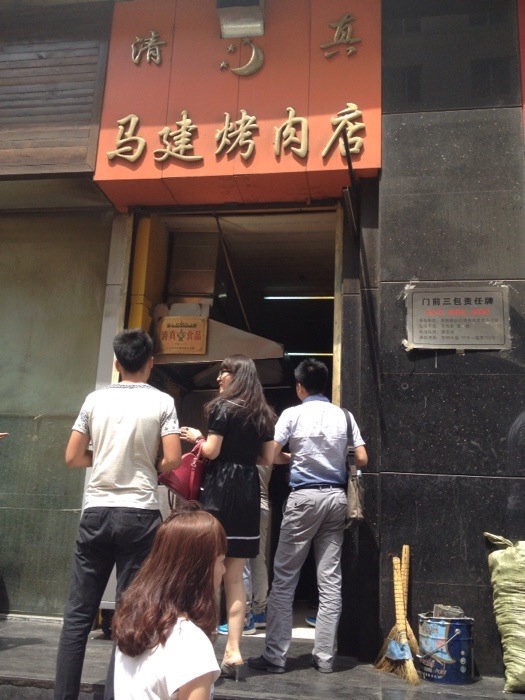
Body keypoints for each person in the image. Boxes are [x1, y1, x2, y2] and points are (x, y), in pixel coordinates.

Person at [54, 329, 181, 700]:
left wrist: (106, 457)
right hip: (139, 514)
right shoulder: (163, 402)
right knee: (129, 616)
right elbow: (173, 458)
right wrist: (146, 463)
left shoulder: (95, 400)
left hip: (96, 511)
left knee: (77, 617)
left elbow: (72, 456)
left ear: (116, 363)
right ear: (150, 363)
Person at [248, 357, 368, 674]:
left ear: (300, 387)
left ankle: (275, 656)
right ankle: (325, 657)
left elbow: (270, 455)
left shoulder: (293, 414)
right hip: (336, 499)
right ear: (324, 385)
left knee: (285, 578)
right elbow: (362, 458)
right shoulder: (344, 415)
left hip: (303, 499)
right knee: (330, 581)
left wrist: (296, 456)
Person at [180, 354, 275, 679]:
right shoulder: (262, 413)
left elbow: (211, 451)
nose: (220, 377)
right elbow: (267, 457)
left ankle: (204, 646)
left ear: (239, 376)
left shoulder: (223, 408)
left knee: (210, 572)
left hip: (221, 489)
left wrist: (197, 438)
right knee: (235, 576)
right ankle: (234, 652)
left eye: (226, 372)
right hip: (248, 490)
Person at [112, 505, 226, 699]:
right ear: (200, 570)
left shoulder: (132, 623)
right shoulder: (191, 643)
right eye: (221, 561)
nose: (224, 570)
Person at [217, 462, 273, 635]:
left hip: (246, 505)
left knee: (241, 562)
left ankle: (245, 617)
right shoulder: (267, 452)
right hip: (263, 506)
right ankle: (260, 612)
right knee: (259, 560)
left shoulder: (245, 455)